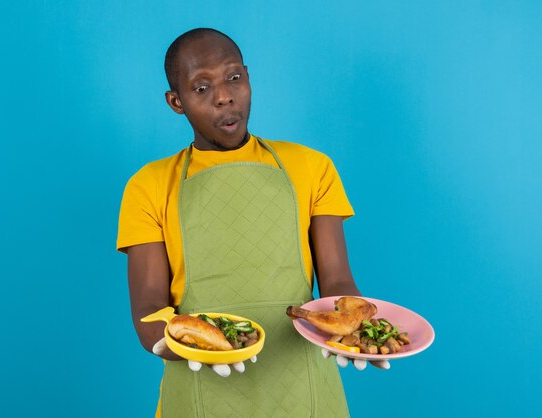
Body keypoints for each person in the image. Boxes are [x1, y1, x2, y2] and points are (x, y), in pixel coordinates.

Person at [117, 28, 386, 418]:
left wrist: (356, 329)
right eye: (201, 87)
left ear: (248, 77)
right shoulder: (149, 186)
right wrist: (178, 344)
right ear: (176, 102)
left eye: (233, 78)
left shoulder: (313, 168)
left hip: (305, 388)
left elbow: (338, 283)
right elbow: (149, 309)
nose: (224, 95)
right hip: (199, 389)